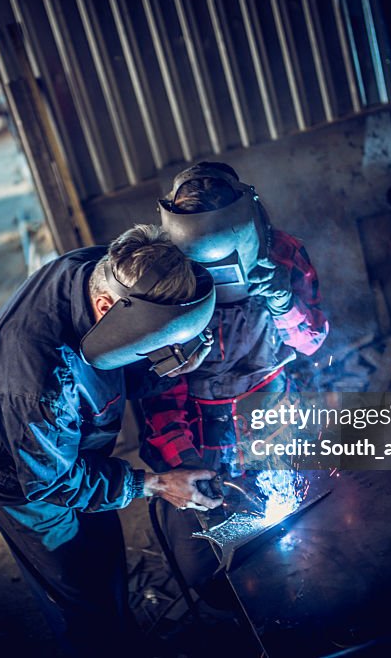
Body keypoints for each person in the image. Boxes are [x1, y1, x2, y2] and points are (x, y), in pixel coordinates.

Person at [0, 224, 223, 657]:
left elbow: (119, 355)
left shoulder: (103, 268)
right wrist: (155, 483)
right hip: (22, 470)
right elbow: (55, 483)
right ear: (106, 306)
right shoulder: (39, 380)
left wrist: (168, 360)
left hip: (69, 443)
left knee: (105, 552)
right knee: (77, 589)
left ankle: (122, 638)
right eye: (154, 341)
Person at [139, 162, 329, 604]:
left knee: (312, 543)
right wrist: (185, 469)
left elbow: (314, 343)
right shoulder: (162, 277)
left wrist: (285, 306)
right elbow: (161, 400)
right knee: (208, 576)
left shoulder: (283, 254)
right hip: (200, 440)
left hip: (275, 426)